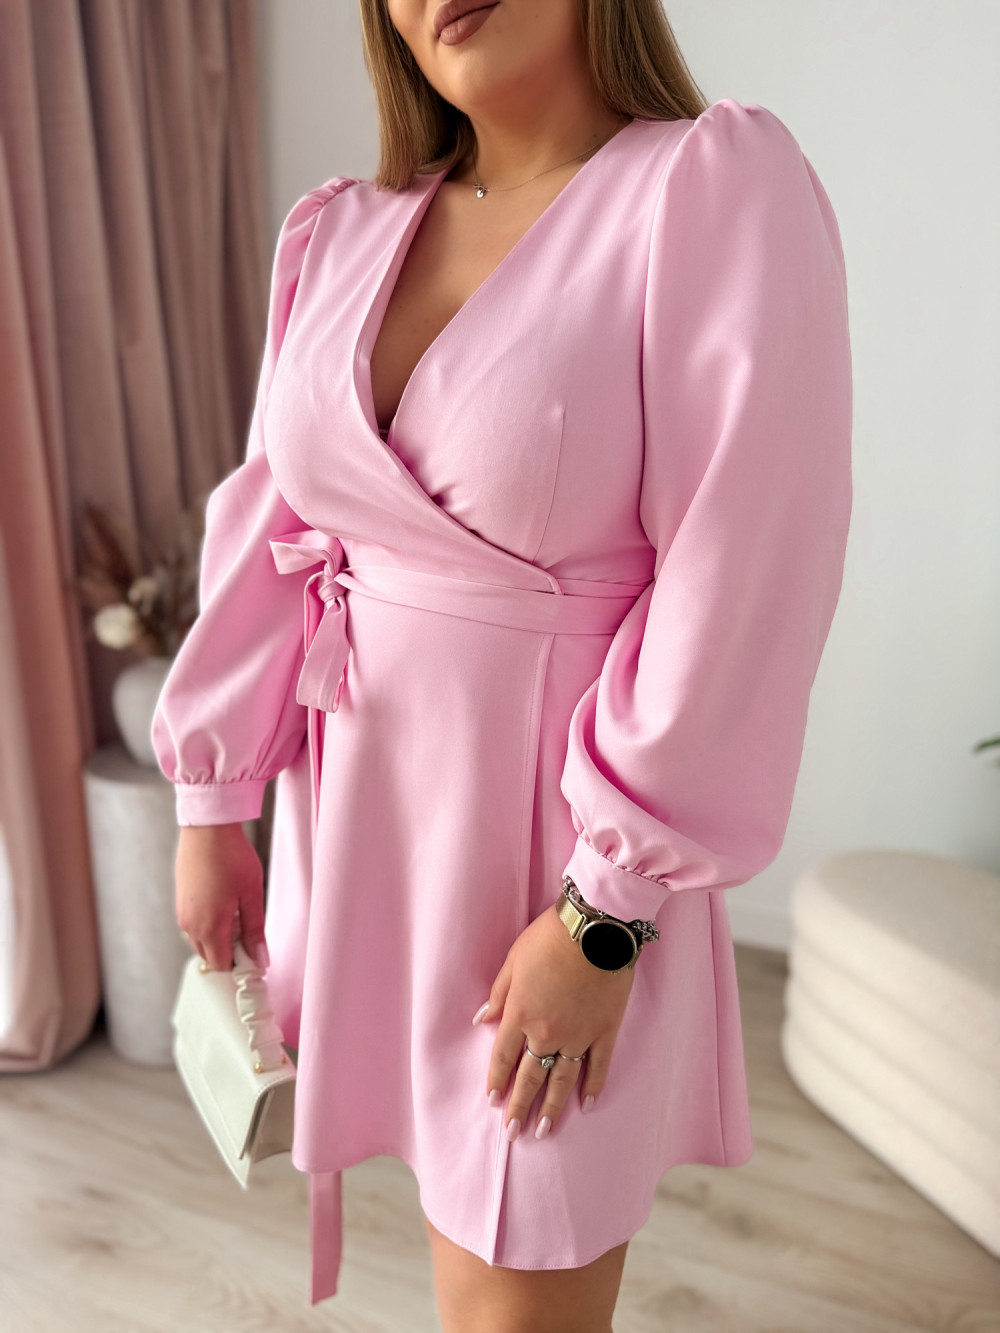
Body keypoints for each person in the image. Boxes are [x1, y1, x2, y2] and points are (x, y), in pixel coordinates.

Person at [152, 1, 853, 1329]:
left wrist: (605, 913)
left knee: (514, 1309)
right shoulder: (342, 232)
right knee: (459, 1276)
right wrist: (212, 800)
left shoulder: (705, 191)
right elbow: (273, 524)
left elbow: (746, 569)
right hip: (366, 844)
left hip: (559, 864)